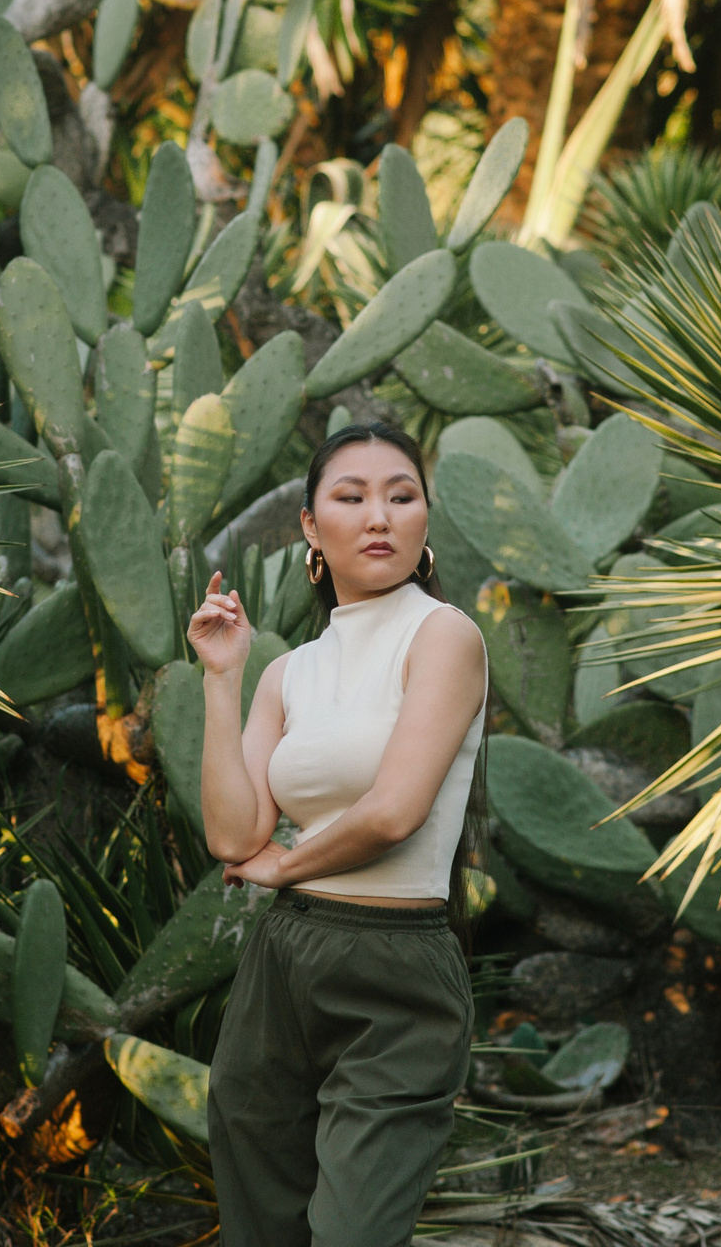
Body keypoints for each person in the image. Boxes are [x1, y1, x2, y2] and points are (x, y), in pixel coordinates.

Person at [186, 420, 490, 1247]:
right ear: (313, 530)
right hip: (281, 964)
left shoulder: (444, 637)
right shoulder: (291, 672)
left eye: (401, 495)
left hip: (396, 968)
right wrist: (225, 678)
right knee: (261, 1220)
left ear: (425, 521)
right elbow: (232, 832)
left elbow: (397, 810)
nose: (380, 516)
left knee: (353, 1233)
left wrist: (285, 866)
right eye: (350, 498)